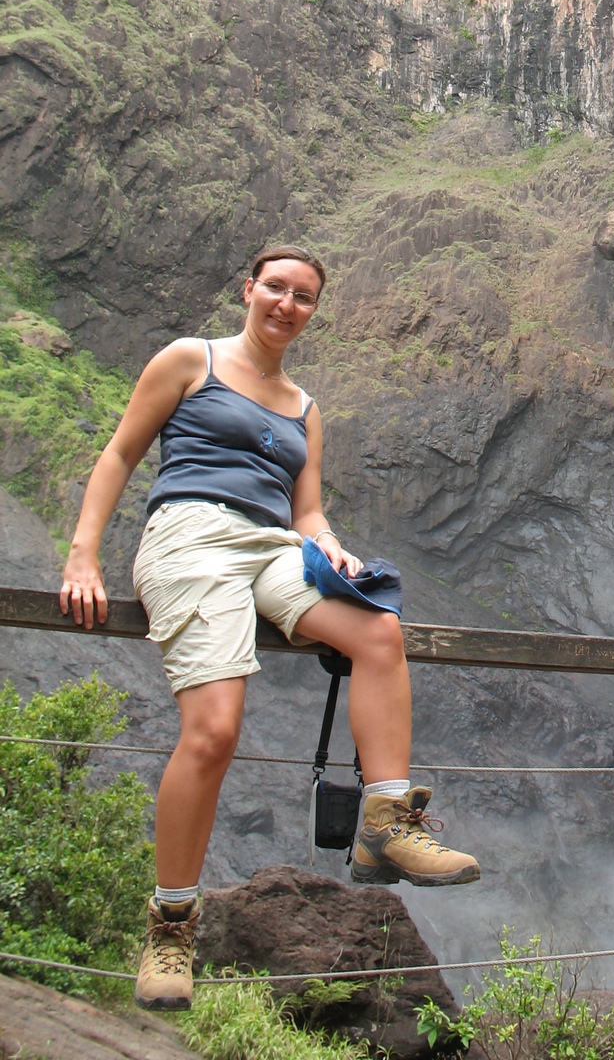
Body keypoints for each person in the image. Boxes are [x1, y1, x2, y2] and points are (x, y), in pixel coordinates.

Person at [59, 244, 480, 1012]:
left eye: (305, 296)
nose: (287, 304)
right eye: (276, 288)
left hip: (274, 546)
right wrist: (83, 554)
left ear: (315, 311)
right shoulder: (192, 361)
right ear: (248, 290)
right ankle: (173, 925)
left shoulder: (304, 408)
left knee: (379, 630)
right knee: (215, 730)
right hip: (190, 534)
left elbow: (306, 506)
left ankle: (387, 820)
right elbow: (121, 452)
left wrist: (329, 543)